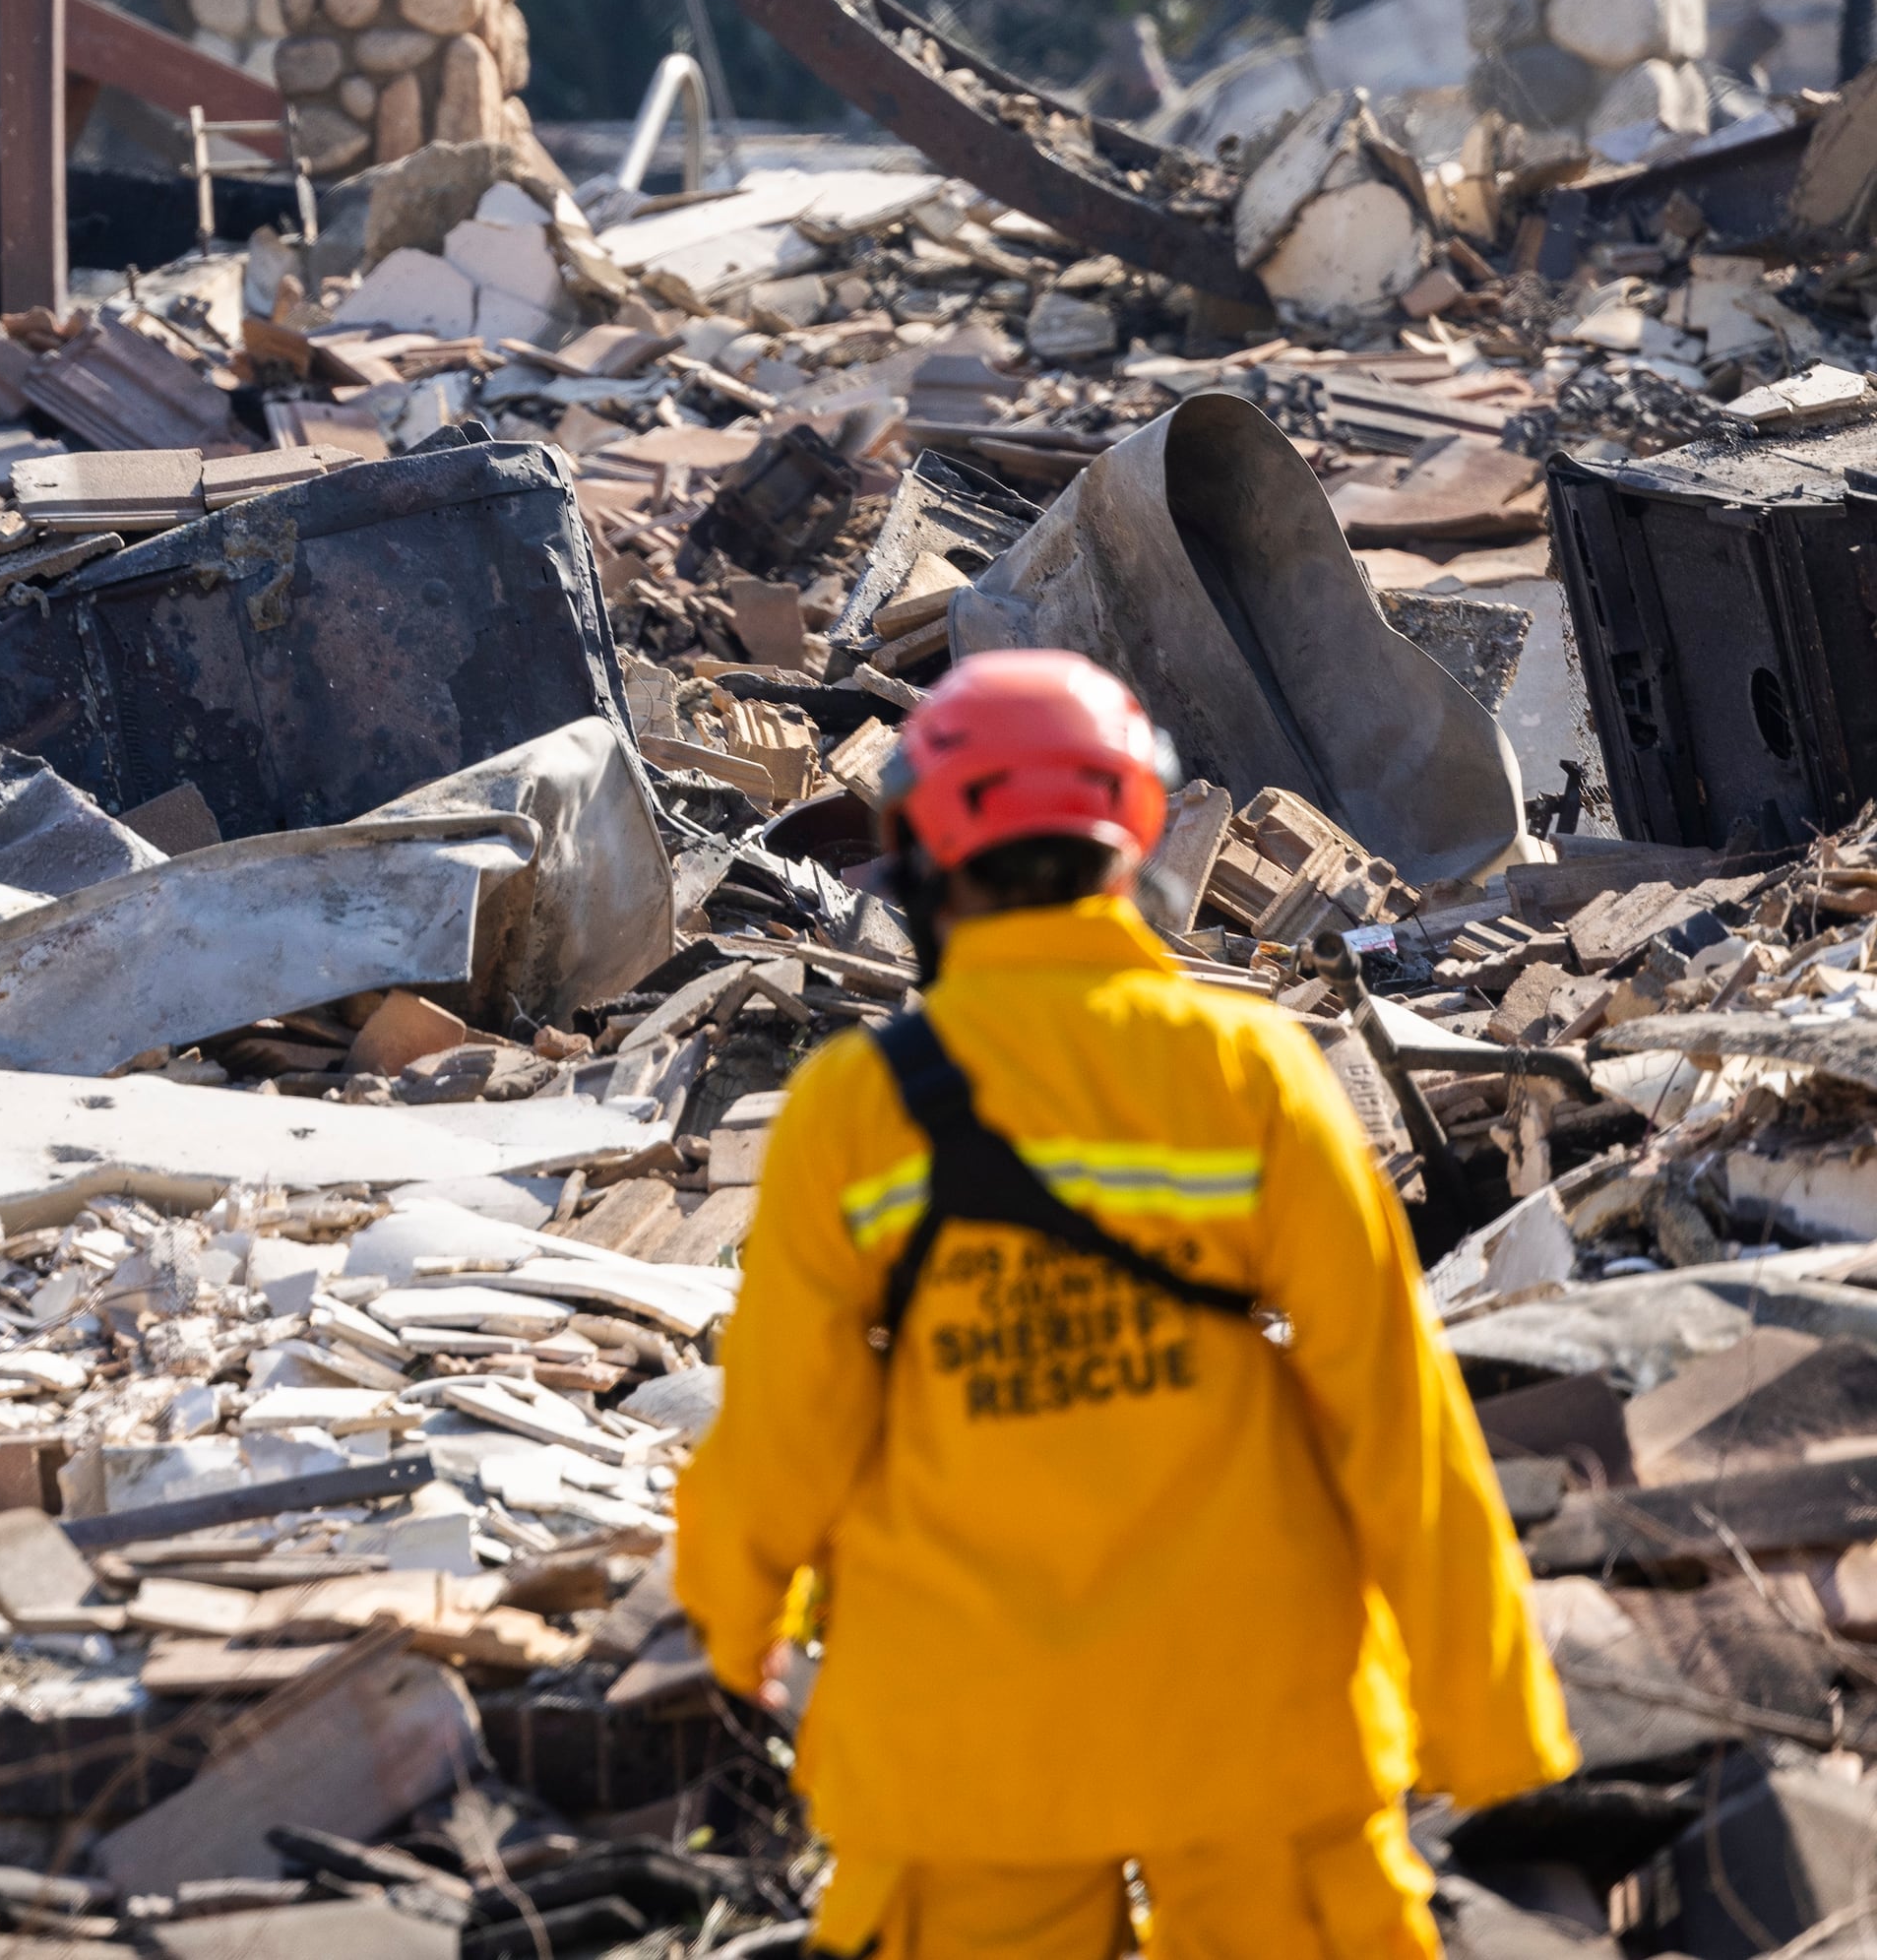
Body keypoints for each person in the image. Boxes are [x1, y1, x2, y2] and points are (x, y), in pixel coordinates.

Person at [671, 649, 1570, 1959]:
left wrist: (731, 1624)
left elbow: (782, 1436)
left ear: (922, 847)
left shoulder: (854, 1113)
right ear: (1136, 832)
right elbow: (1394, 1415)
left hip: (970, 1740)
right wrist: (1488, 1726)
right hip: (1252, 1711)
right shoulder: (1248, 1069)